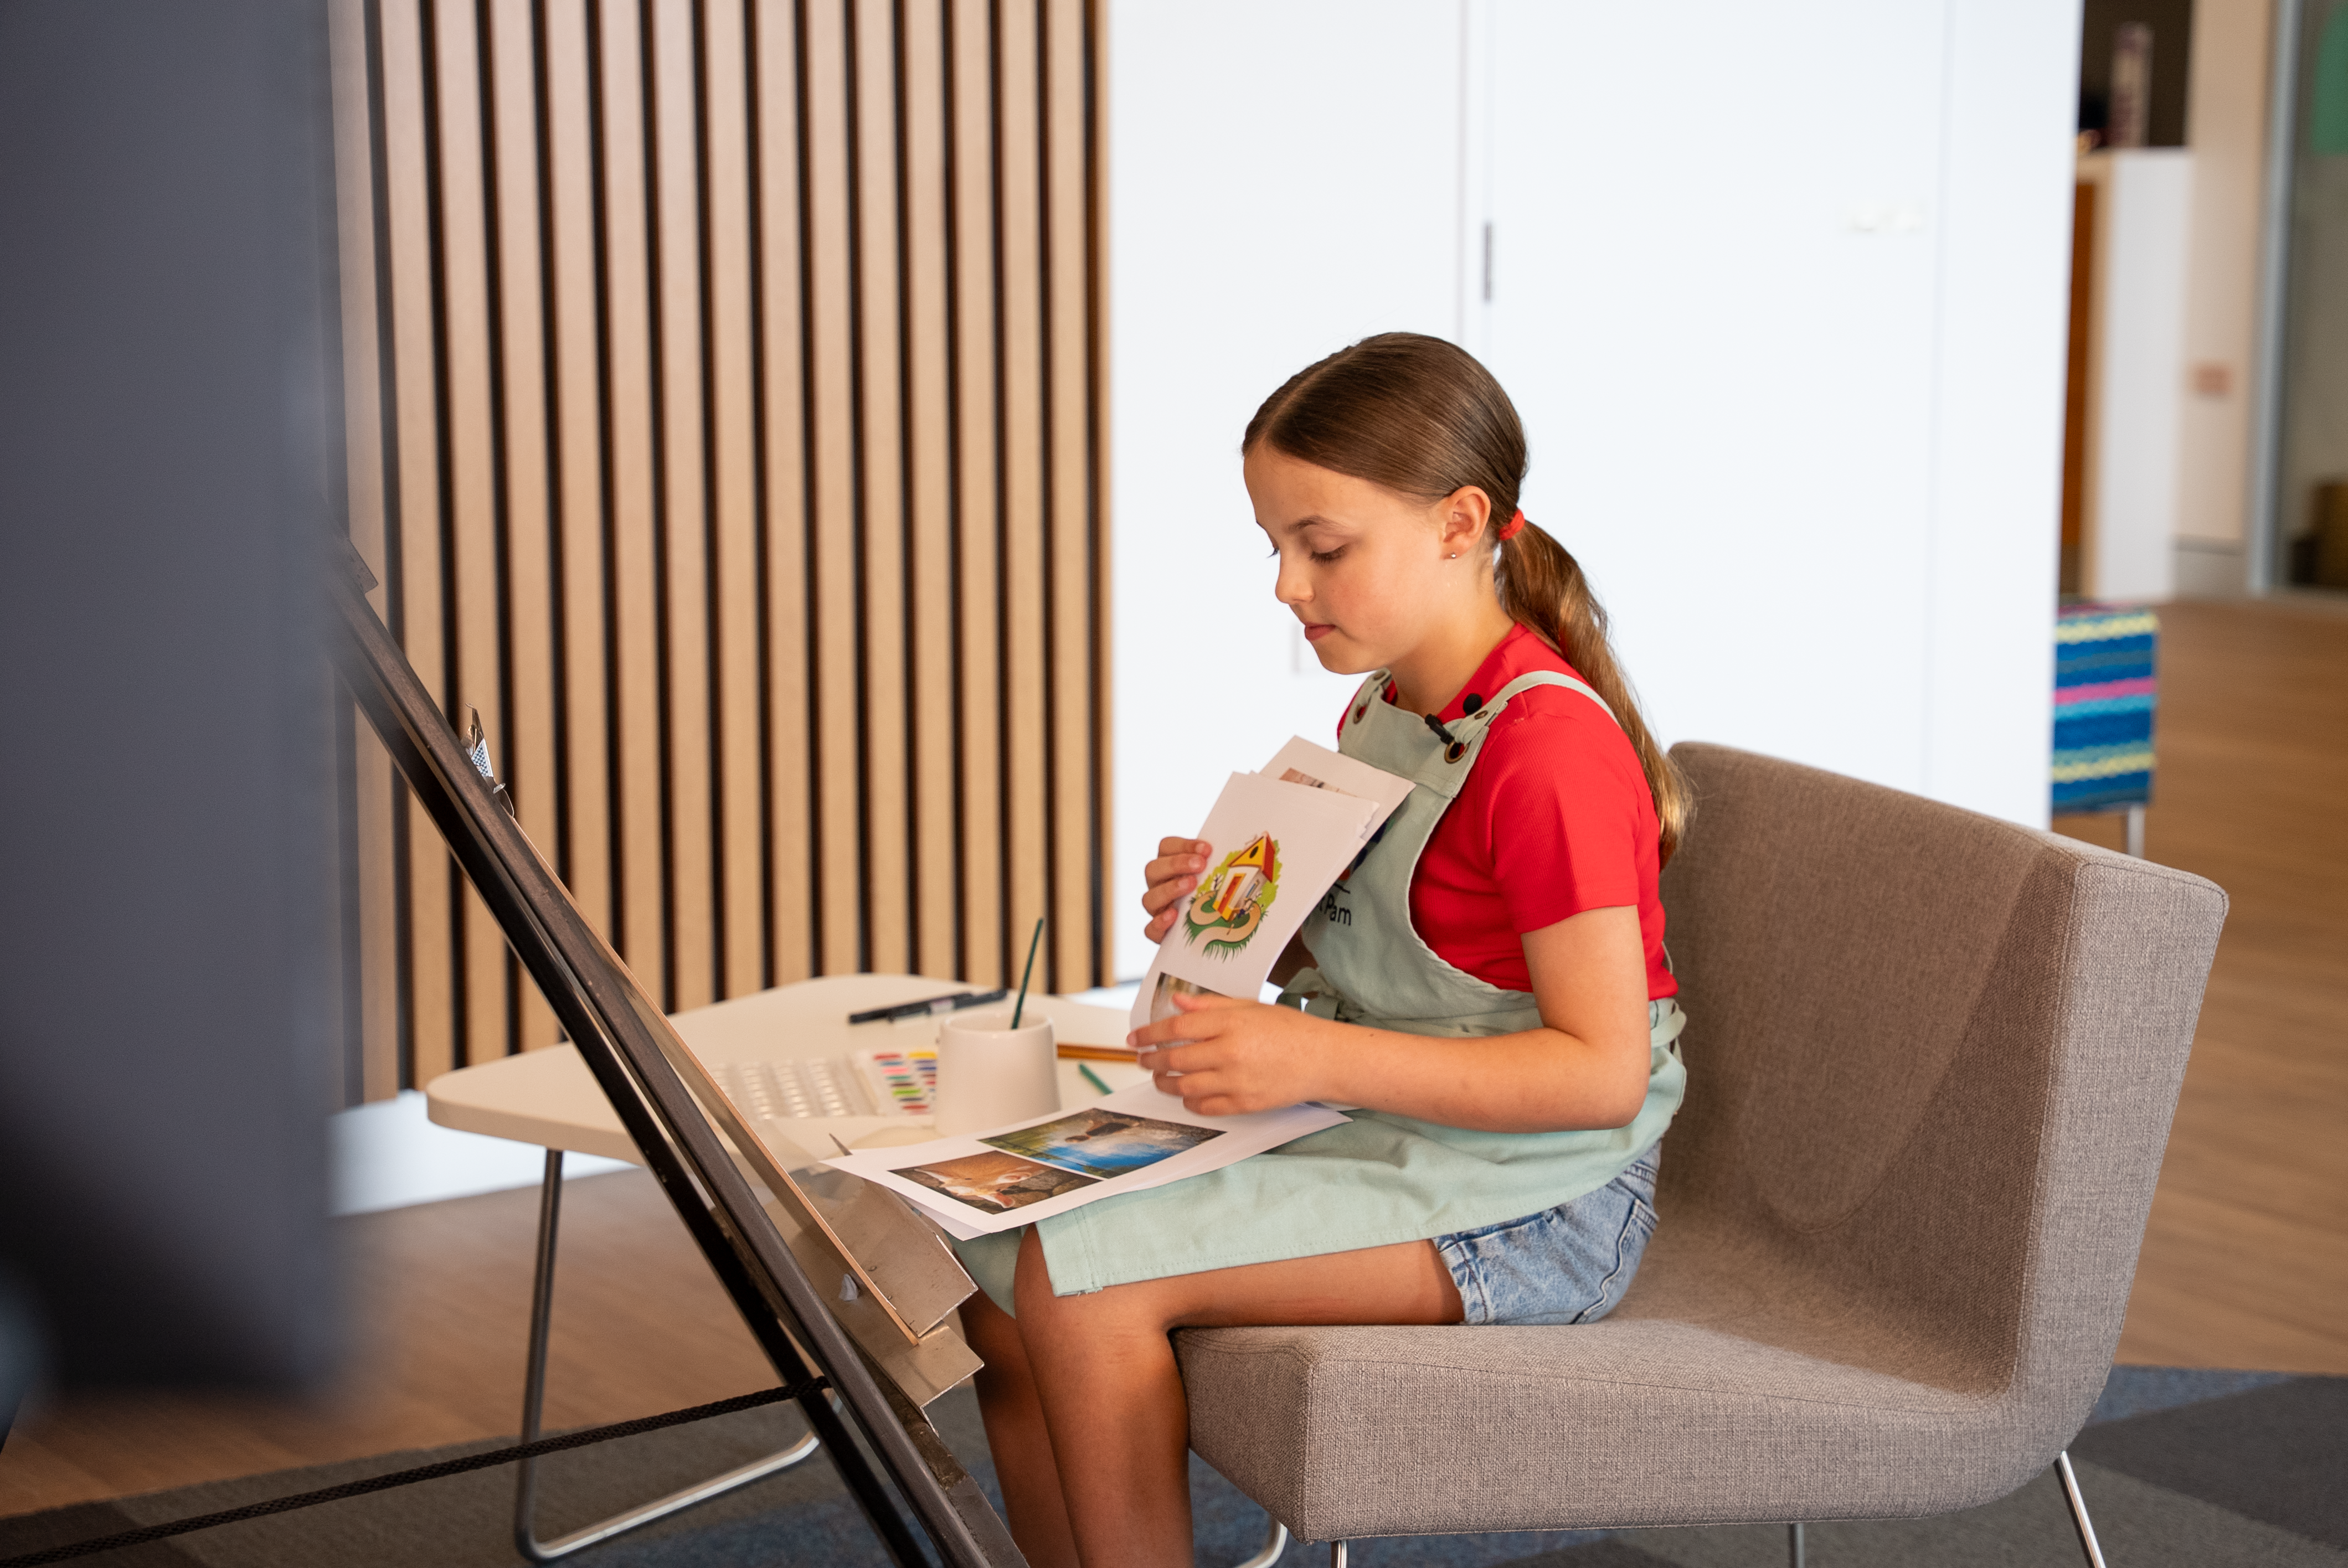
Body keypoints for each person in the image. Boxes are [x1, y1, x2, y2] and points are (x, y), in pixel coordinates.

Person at [955, 332, 1689, 1568]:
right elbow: (1414, 939)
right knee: (994, 1264)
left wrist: (1302, 1054)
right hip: (1406, 1131)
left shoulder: (1546, 755)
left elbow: (1599, 1076)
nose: (1288, 587)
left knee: (1080, 1278)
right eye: (1276, 548)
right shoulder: (1384, 706)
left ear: (1460, 523)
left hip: (1546, 1198)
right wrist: (1244, 907)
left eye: (1323, 547)